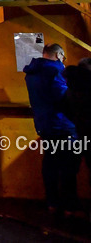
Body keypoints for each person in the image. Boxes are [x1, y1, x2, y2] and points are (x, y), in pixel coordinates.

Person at [24, 43, 82, 215]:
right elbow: (64, 98)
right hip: (62, 126)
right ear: (58, 55)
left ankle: (52, 202)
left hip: (44, 125)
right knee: (69, 167)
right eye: (63, 58)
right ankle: (70, 206)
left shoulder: (31, 74)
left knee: (50, 164)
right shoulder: (56, 72)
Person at [65, 57, 91, 195]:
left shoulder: (70, 87)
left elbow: (65, 109)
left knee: (70, 170)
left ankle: (69, 207)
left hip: (77, 133)